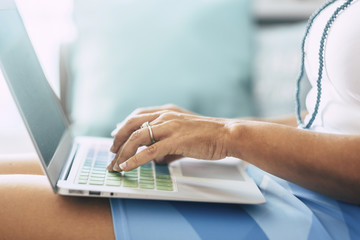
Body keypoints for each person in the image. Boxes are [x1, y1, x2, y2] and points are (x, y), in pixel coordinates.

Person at [1, 0, 359, 239]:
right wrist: (208, 126)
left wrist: (228, 136)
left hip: (324, 216)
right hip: (285, 178)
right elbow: (324, 121)